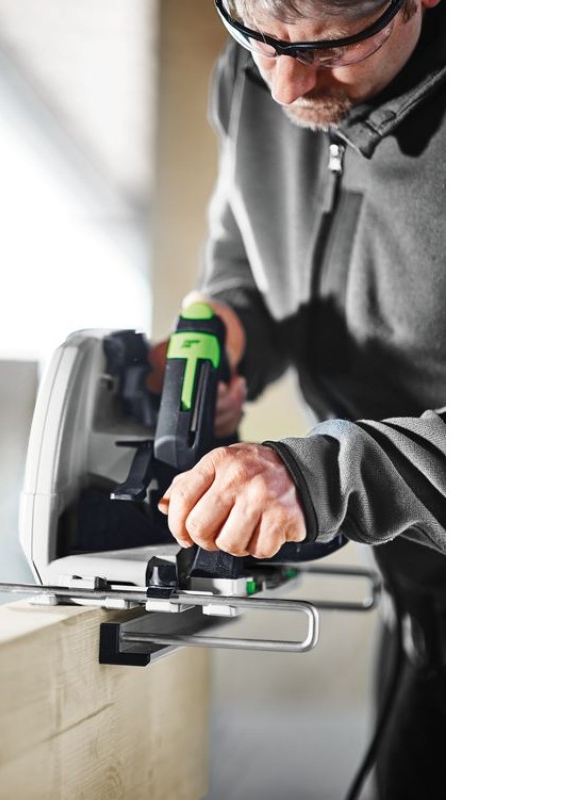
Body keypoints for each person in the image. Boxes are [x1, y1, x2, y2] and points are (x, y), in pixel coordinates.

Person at [153, 1, 445, 797]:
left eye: (328, 48)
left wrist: (320, 478)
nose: (284, 86)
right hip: (418, 600)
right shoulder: (252, 75)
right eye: (260, 37)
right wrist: (231, 331)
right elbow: (244, 259)